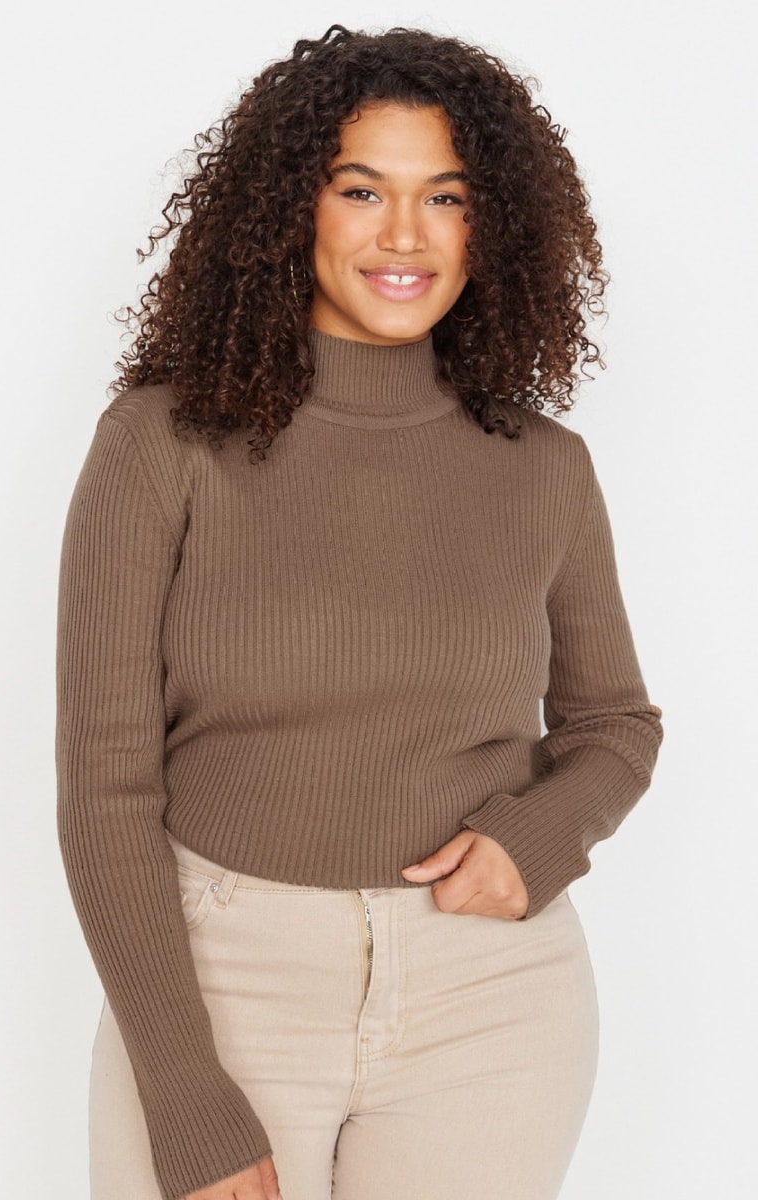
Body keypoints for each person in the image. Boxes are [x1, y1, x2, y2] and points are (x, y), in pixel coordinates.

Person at [56, 24, 663, 1200]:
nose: (403, 235)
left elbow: (613, 726)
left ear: (490, 225)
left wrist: (537, 840)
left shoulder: (542, 467)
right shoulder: (161, 446)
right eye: (360, 190)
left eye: (445, 196)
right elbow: (105, 791)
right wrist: (179, 1089)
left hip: (490, 1001)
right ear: (291, 209)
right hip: (222, 979)